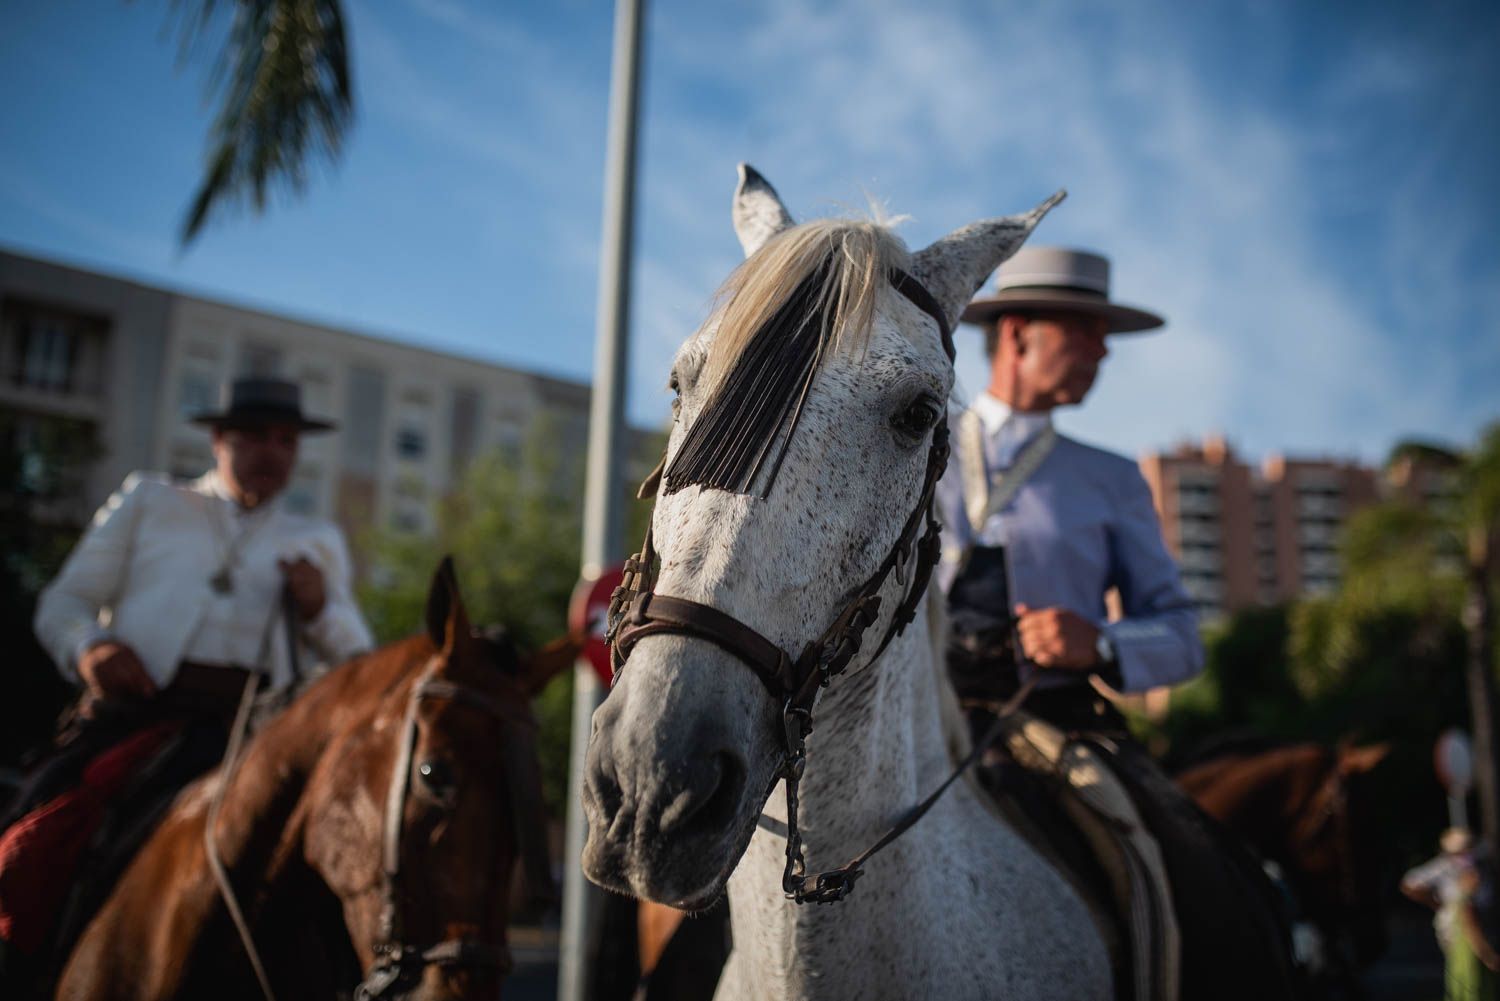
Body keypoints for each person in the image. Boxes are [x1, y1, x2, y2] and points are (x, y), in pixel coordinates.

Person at [939, 247, 1293, 998]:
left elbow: (1181, 633)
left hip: (1052, 724)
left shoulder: (1111, 477)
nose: (1102, 350)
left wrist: (1097, 640)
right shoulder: (918, 442)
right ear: (1018, 332)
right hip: (904, 714)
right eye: (1086, 330)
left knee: (1196, 862)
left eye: (1104, 334)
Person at [0, 376, 373, 979]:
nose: (272, 451)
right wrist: (89, 648)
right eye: (254, 435)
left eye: (285, 439)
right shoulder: (149, 500)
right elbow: (63, 603)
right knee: (34, 841)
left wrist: (320, 609)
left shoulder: (316, 539)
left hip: (258, 739)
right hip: (141, 718)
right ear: (219, 438)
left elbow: (358, 664)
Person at [1403, 828, 1500, 1000]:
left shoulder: (1479, 867)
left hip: (1467, 933)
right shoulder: (1446, 868)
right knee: (1470, 980)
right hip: (1459, 934)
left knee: (1464, 980)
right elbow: (1409, 884)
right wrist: (1436, 903)